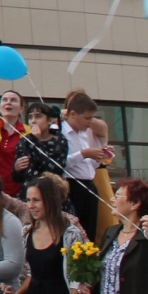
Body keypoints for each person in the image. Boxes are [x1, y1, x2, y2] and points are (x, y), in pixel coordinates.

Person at [61, 93, 110, 241]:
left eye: (92, 118)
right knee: (72, 232)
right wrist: (84, 154)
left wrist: (100, 155)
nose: (90, 123)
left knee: (89, 232)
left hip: (88, 184)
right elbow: (59, 162)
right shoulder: (60, 132)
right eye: (87, 118)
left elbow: (88, 166)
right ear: (73, 114)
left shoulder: (82, 133)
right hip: (70, 185)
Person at [18, 103, 70, 189]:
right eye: (30, 117)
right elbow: (17, 177)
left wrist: (36, 142)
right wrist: (16, 169)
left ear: (49, 121)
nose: (33, 121)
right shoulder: (24, 141)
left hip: (51, 190)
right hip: (28, 191)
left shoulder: (59, 140)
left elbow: (53, 169)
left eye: (38, 117)